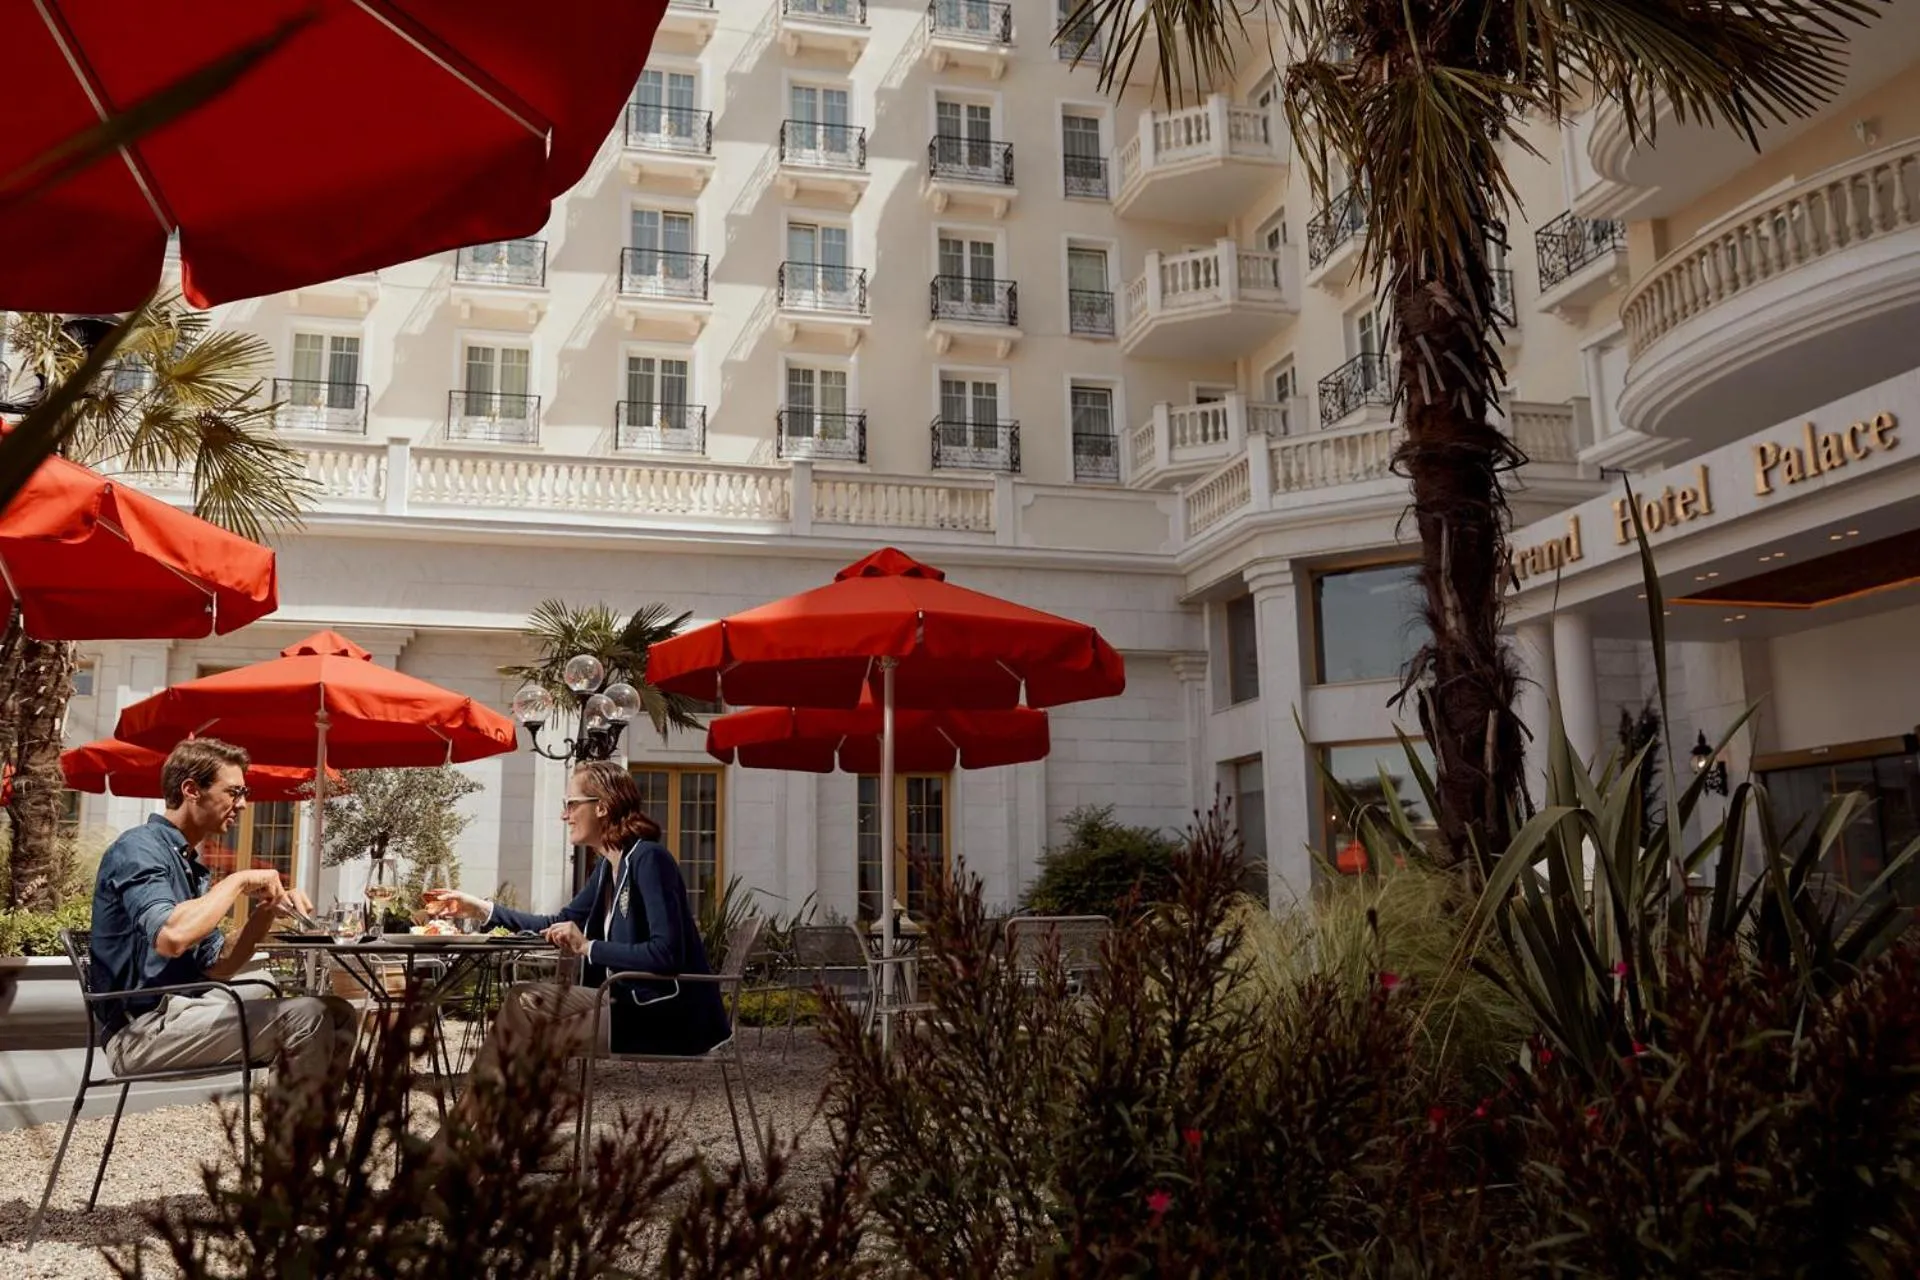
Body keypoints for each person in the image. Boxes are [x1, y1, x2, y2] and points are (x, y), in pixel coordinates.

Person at [424, 760, 728, 1091]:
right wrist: (479, 908)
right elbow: (556, 923)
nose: (564, 815)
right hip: (622, 1001)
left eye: (571, 804)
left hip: (665, 1016)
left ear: (604, 806)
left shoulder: (650, 860)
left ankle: (482, 1130)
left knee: (525, 1040)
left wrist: (587, 946)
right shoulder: (608, 868)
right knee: (520, 998)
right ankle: (482, 1127)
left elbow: (666, 954)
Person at [88, 738, 356, 1091]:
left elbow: (220, 966)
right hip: (141, 1031)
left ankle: (309, 1139)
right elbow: (171, 937)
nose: (243, 805)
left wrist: (266, 912)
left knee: (339, 1013)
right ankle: (290, 1145)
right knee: (307, 1017)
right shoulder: (138, 848)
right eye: (234, 792)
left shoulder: (188, 865)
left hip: (185, 1012)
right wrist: (238, 880)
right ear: (191, 790)